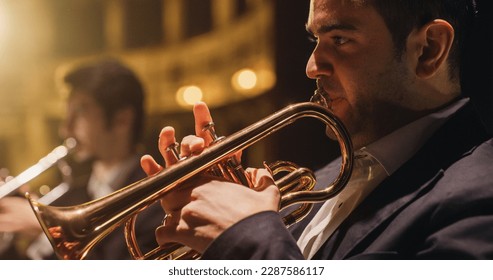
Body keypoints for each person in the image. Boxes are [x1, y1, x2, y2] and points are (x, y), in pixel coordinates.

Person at [140, 0, 493, 259]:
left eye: (340, 39)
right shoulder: (320, 182)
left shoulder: (480, 198)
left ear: (428, 50)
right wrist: (206, 234)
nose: (311, 67)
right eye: (315, 42)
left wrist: (245, 236)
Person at [0, 58, 163, 259]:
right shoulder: (67, 198)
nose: (65, 129)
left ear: (122, 119)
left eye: (79, 112)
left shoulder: (160, 204)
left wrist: (48, 235)